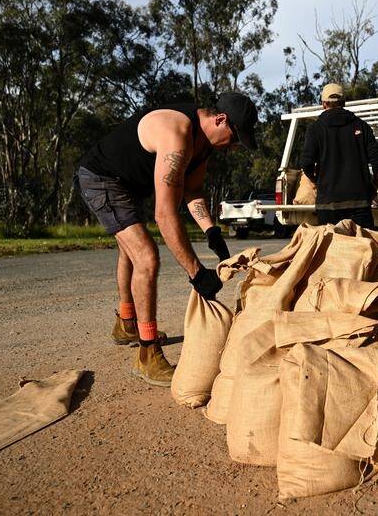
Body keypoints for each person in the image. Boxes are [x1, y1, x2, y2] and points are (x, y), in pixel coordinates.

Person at [76, 92, 257, 386]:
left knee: (131, 253)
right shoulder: (178, 133)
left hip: (129, 184)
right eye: (235, 137)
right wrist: (197, 274)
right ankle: (148, 353)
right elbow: (164, 214)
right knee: (146, 258)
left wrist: (212, 234)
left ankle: (126, 323)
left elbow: (193, 192)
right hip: (101, 179)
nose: (234, 146)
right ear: (220, 120)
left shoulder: (204, 146)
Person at [300, 83, 378, 229]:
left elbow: (306, 164)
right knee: (362, 249)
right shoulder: (361, 126)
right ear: (344, 103)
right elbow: (377, 164)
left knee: (332, 250)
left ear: (323, 104)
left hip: (327, 204)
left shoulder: (315, 129)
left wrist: (317, 181)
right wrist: (372, 189)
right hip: (359, 204)